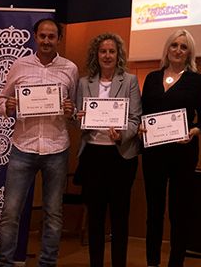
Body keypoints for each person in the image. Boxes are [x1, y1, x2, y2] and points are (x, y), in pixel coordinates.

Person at [0, 18, 78, 267]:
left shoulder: (70, 69)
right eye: (42, 36)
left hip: (57, 148)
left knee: (53, 214)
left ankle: (47, 264)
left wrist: (70, 110)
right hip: (23, 146)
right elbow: (2, 98)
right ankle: (5, 264)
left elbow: (74, 110)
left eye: (51, 36)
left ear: (58, 39)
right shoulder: (19, 66)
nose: (46, 41)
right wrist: (7, 107)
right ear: (35, 37)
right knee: (10, 213)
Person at [140, 29, 201, 267]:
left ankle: (175, 263)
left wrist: (195, 131)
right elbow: (142, 114)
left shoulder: (197, 80)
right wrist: (141, 128)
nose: (178, 50)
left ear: (189, 53)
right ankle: (152, 262)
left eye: (183, 47)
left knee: (179, 213)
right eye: (174, 45)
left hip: (183, 153)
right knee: (154, 212)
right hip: (153, 154)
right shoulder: (151, 78)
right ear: (167, 49)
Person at [74, 33, 142, 267]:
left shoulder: (130, 80)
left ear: (118, 55)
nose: (107, 55)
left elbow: (135, 119)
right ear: (97, 54)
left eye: (111, 51)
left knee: (119, 217)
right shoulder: (84, 82)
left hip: (120, 156)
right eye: (103, 51)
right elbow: (77, 118)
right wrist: (79, 117)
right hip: (93, 155)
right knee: (95, 217)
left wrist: (122, 135)